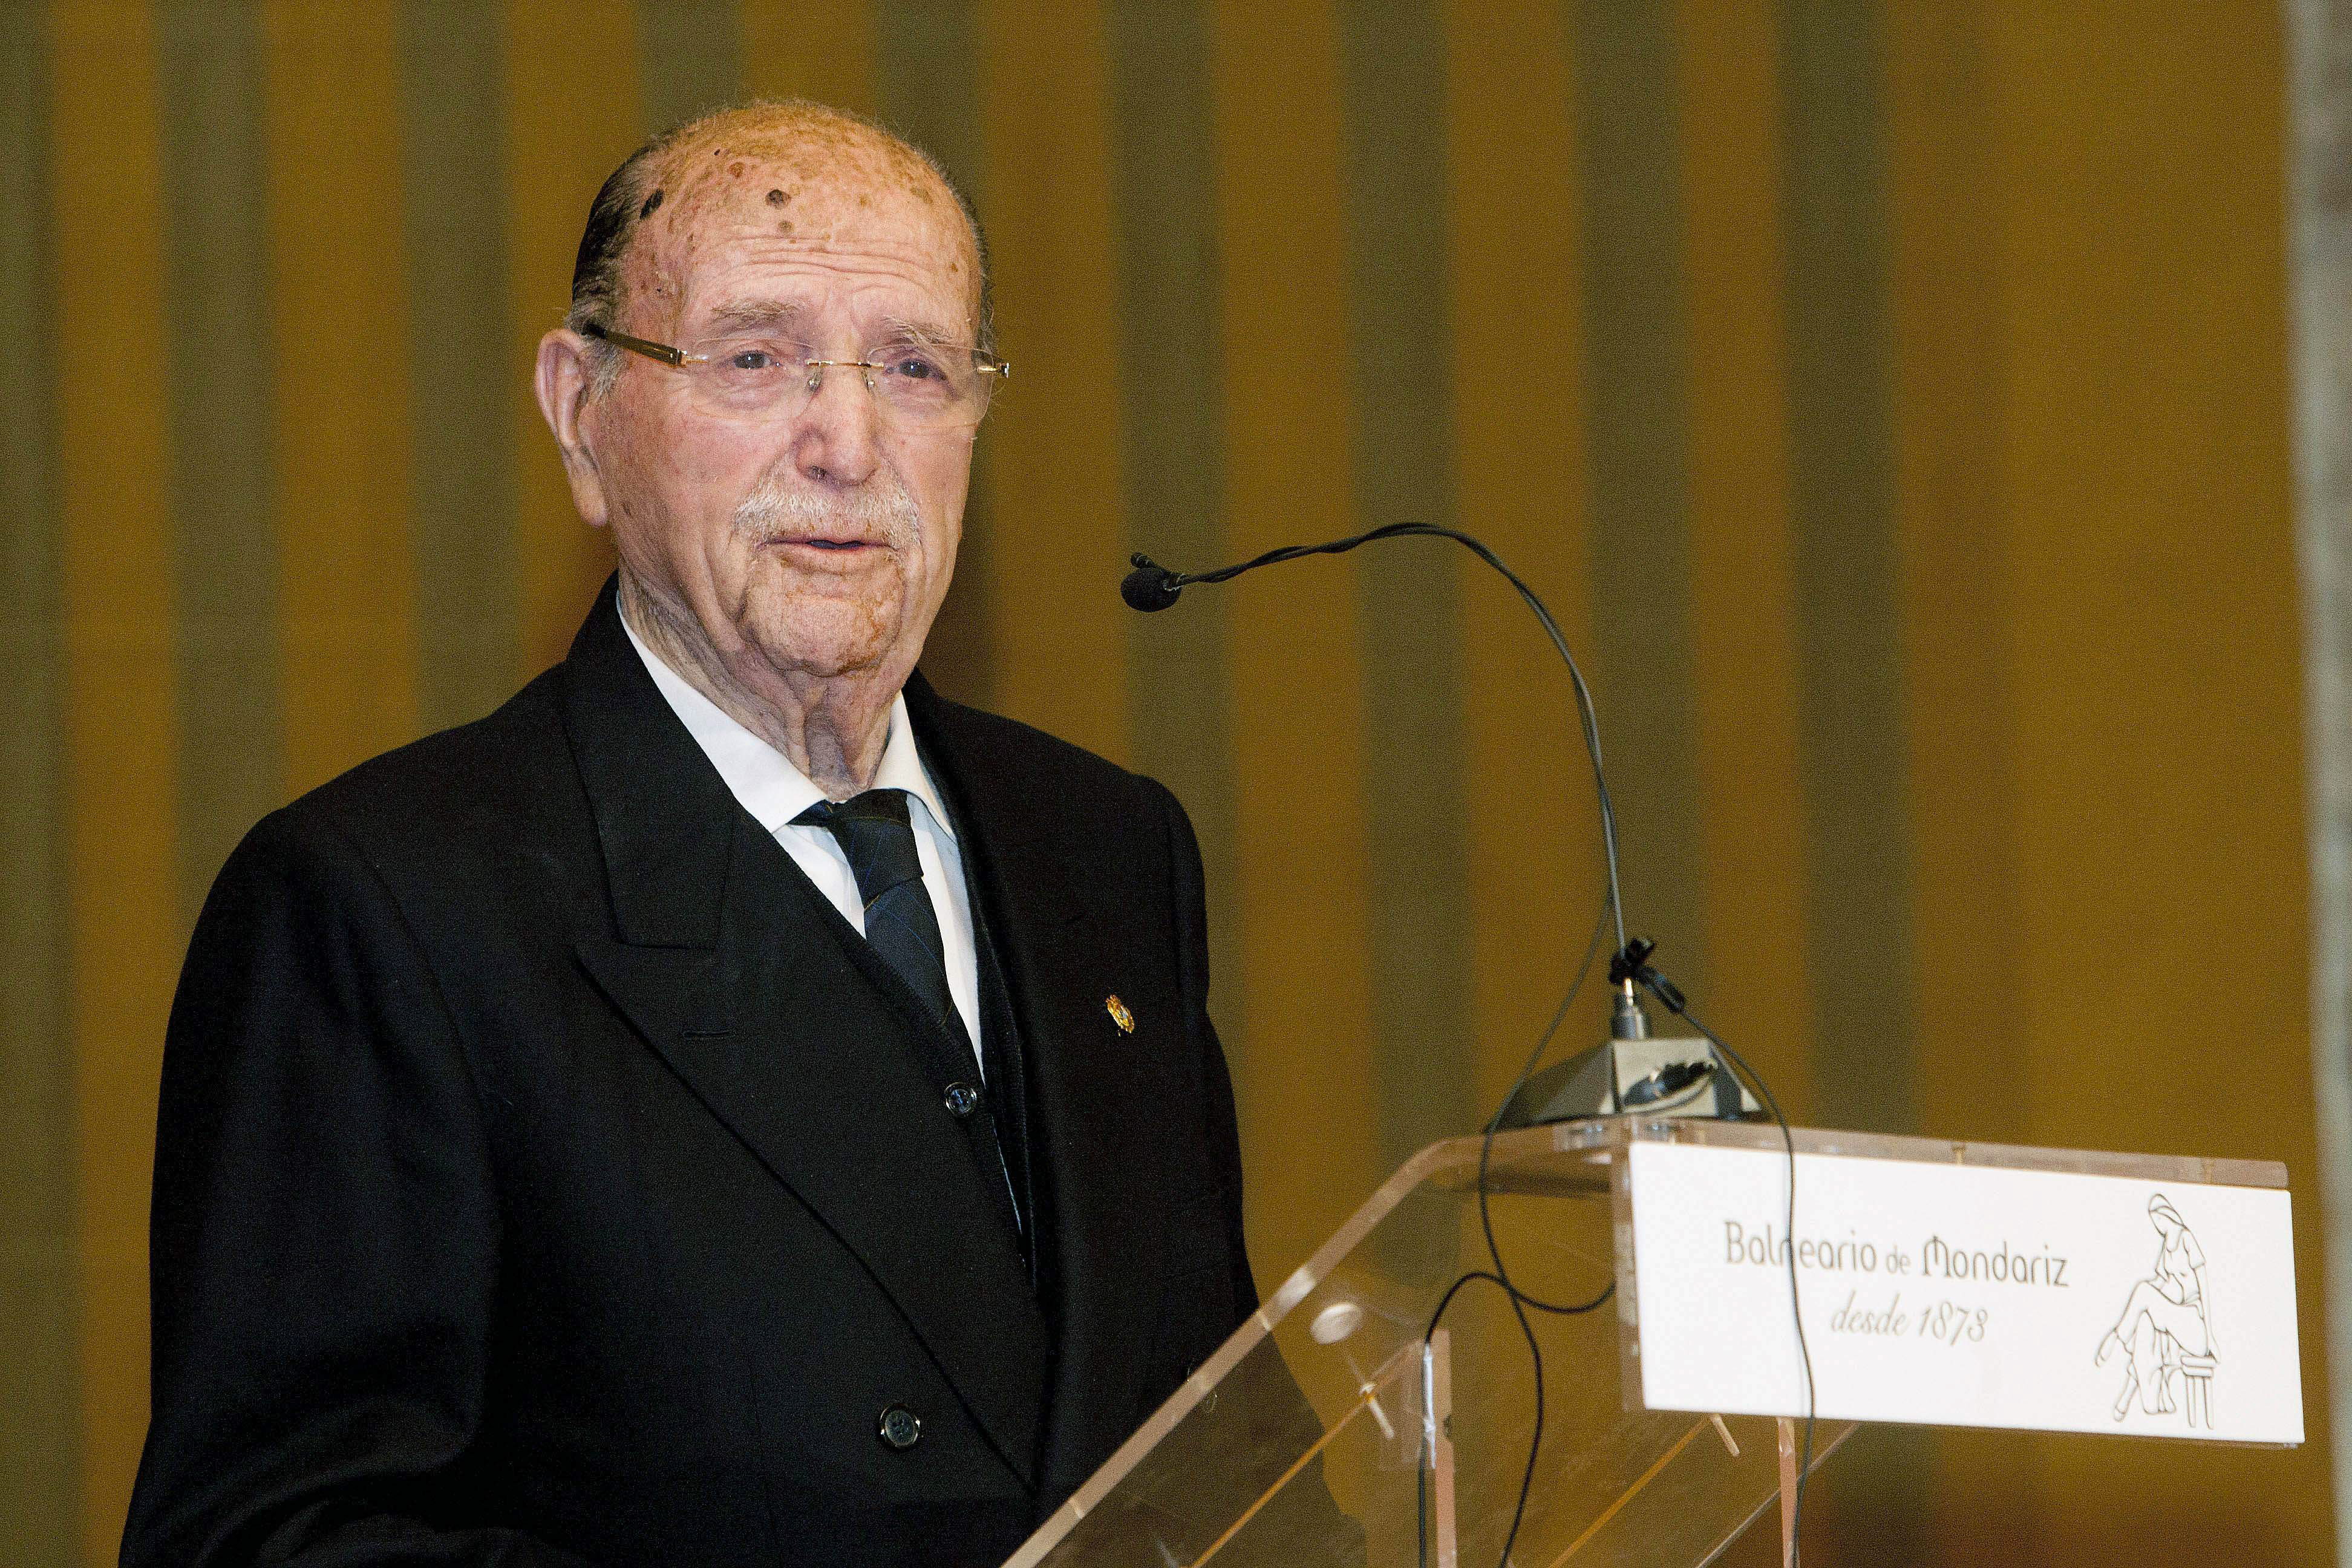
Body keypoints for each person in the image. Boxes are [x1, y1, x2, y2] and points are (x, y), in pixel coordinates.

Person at [122, 100, 1259, 1567]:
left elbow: (1229, 1438)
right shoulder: (386, 908)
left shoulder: (1108, 852)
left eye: (914, 367)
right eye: (755, 359)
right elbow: (271, 1540)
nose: (849, 442)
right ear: (583, 417)